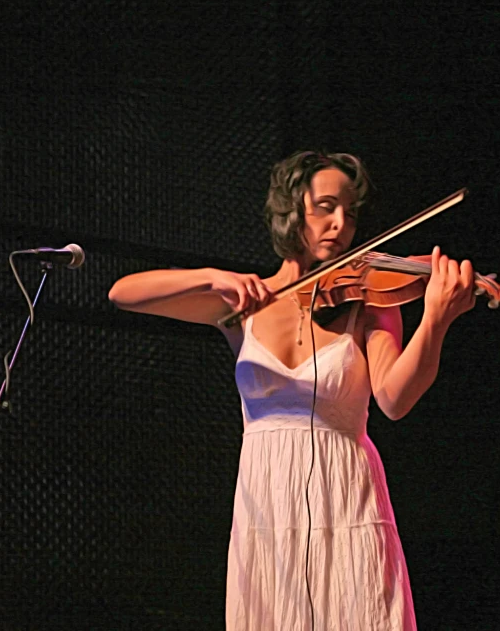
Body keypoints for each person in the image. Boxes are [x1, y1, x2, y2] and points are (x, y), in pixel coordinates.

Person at [108, 151, 476, 630]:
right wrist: (213, 277)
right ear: (289, 210)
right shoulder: (247, 302)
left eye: (349, 211)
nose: (340, 223)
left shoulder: (368, 301)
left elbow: (394, 399)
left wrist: (436, 319)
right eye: (325, 206)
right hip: (266, 504)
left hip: (347, 498)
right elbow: (123, 293)